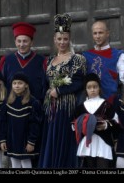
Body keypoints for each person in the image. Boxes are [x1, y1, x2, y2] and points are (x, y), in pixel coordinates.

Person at [38, 13, 86, 168]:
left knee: (64, 139)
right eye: (59, 39)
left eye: (65, 39)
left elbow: (79, 82)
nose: (62, 42)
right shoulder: (49, 60)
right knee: (50, 139)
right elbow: (45, 83)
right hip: (50, 108)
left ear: (69, 39)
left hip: (66, 107)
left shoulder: (77, 59)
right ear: (54, 40)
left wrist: (59, 91)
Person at [0, 21, 46, 105]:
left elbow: (46, 85)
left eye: (25, 41)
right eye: (19, 41)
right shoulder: (6, 60)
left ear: (31, 42)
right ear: (15, 42)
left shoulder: (42, 61)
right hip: (11, 107)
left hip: (34, 108)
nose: (21, 44)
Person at [82, 21, 124, 104]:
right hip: (89, 103)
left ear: (107, 33)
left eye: (100, 33)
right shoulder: (85, 56)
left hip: (111, 103)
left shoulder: (119, 56)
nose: (97, 36)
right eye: (95, 33)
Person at [74, 73, 121, 168]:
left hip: (103, 142)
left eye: (95, 87)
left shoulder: (106, 105)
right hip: (87, 143)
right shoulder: (80, 108)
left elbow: (116, 123)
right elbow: (73, 124)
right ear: (86, 90)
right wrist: (81, 125)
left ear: (99, 88)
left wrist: (106, 125)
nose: (92, 90)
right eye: (89, 87)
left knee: (103, 166)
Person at [0, 72, 42, 168]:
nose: (16, 86)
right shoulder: (7, 102)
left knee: (26, 164)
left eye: (20, 83)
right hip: (11, 141)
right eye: (14, 83)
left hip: (25, 142)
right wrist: (3, 140)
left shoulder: (33, 102)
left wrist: (31, 141)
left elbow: (35, 124)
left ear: (26, 85)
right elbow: (3, 122)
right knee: (15, 164)